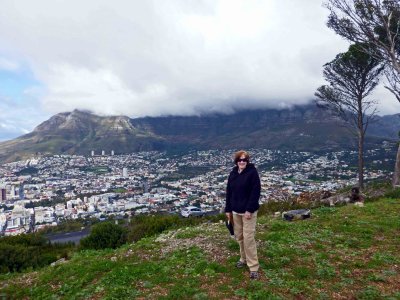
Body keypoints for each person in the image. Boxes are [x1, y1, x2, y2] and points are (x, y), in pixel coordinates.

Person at [225, 150, 261, 280]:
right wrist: (228, 210)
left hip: (248, 212)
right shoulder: (233, 173)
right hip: (235, 211)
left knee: (248, 238)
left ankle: (253, 267)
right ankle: (243, 258)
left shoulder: (252, 173)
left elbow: (255, 192)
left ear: (248, 161)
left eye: (244, 160)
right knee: (239, 236)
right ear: (236, 161)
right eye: (239, 160)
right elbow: (229, 192)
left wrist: (249, 210)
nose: (242, 162)